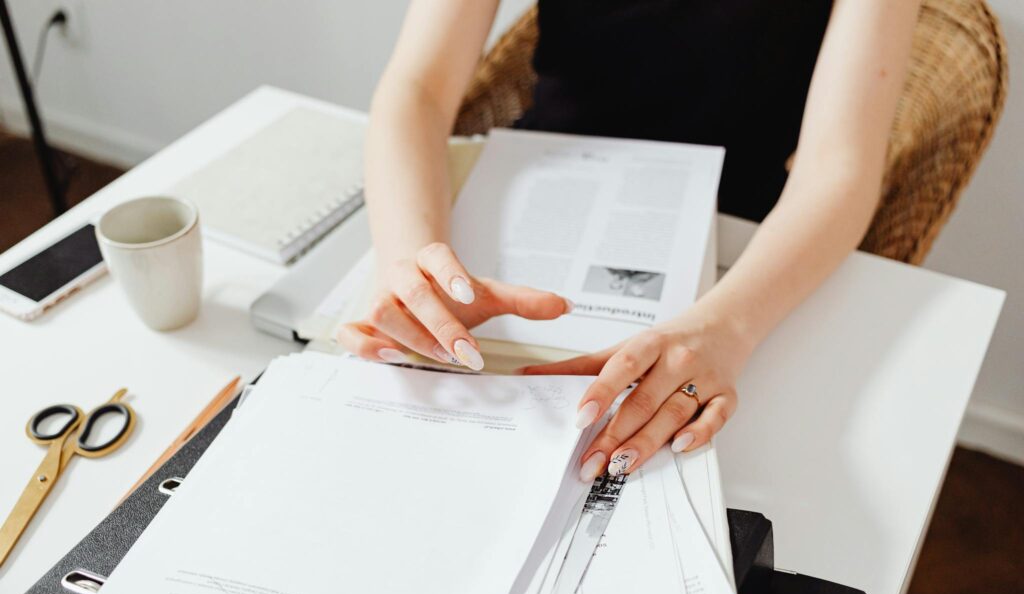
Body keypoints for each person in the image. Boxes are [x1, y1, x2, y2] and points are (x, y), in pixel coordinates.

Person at [337, 0, 921, 481]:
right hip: (526, 214)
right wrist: (411, 261)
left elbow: (838, 164)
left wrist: (726, 330)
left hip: (735, 257)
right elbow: (418, 88)